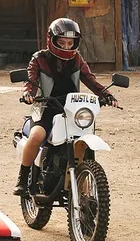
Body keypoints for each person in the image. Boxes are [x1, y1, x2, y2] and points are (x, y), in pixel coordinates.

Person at [16, 18, 117, 196]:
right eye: (62, 42)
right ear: (51, 40)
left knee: (82, 143)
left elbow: (90, 80)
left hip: (72, 110)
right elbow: (30, 80)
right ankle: (22, 179)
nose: (66, 46)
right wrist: (28, 94)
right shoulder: (39, 58)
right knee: (36, 136)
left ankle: (83, 188)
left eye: (70, 43)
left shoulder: (77, 59)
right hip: (46, 108)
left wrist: (106, 95)